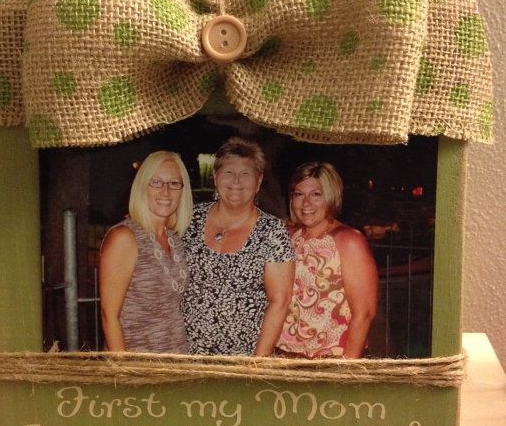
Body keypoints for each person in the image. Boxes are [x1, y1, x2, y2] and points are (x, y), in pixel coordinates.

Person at [181, 137, 295, 356]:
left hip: (245, 358)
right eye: (228, 172)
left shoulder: (272, 232)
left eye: (245, 173)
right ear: (215, 177)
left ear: (258, 181)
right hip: (185, 353)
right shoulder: (188, 220)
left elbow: (279, 302)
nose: (236, 181)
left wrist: (257, 364)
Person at [276, 161, 378, 359]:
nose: (306, 204)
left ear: (331, 196)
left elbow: (364, 314)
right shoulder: (288, 236)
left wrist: (345, 369)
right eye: (299, 194)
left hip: (330, 360)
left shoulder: (348, 241)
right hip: (283, 356)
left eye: (316, 194)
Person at [99, 151, 193, 353]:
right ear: (142, 186)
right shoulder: (124, 238)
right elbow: (109, 316)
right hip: (139, 363)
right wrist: (124, 368)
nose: (166, 191)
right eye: (156, 182)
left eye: (174, 183)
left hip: (177, 360)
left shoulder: (174, 238)